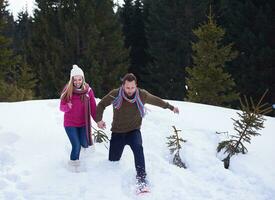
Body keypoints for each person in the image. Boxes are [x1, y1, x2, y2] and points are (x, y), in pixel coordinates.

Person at [96, 73, 179, 187]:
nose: (130, 90)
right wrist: (99, 120)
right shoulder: (115, 94)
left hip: (133, 131)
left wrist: (171, 107)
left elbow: (157, 101)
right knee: (113, 161)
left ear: (136, 86)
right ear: (123, 86)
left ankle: (141, 178)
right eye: (127, 88)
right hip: (118, 132)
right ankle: (112, 183)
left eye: (132, 87)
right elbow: (101, 105)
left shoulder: (142, 95)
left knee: (138, 148)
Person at [60, 64, 96, 171]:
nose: (77, 82)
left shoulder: (88, 91)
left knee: (84, 143)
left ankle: (83, 153)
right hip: (70, 124)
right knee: (76, 145)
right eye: (75, 80)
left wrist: (98, 120)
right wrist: (67, 106)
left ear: (83, 79)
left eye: (79, 79)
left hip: (83, 123)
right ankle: (73, 166)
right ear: (72, 80)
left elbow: (93, 107)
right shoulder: (67, 90)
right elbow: (61, 107)